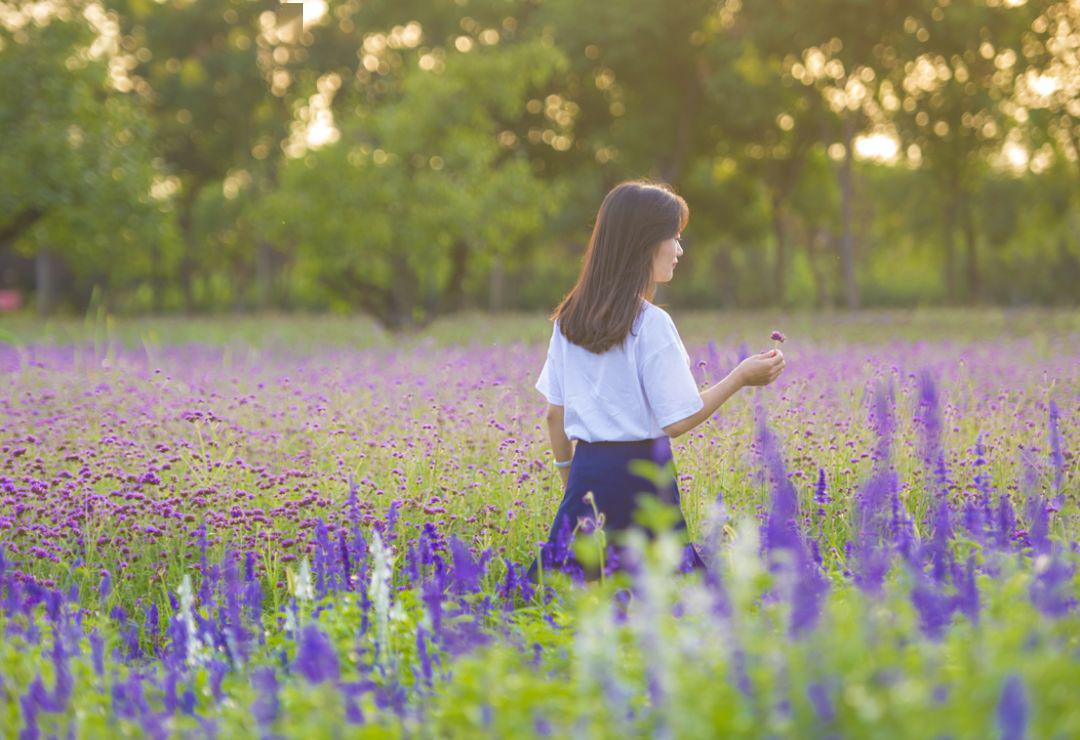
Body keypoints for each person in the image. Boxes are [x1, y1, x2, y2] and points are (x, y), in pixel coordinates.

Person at [527, 179, 786, 583]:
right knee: (667, 605)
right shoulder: (651, 323)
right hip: (643, 480)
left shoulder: (568, 321)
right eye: (674, 237)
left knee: (566, 599)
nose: (679, 250)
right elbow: (678, 420)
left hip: (586, 479)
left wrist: (572, 487)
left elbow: (554, 417)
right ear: (644, 243)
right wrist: (740, 377)